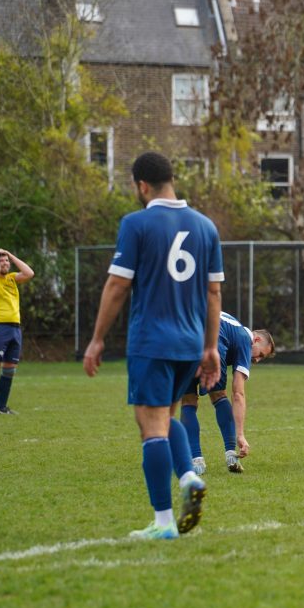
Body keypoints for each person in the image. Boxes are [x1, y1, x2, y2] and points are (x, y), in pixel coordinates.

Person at [83, 152, 223, 540]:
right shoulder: (206, 227)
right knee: (166, 417)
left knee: (150, 426)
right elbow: (214, 292)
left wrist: (97, 340)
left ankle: (163, 522)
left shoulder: (137, 223)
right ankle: (190, 476)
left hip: (151, 341)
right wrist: (210, 347)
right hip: (191, 344)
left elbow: (117, 285)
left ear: (141, 186)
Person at [180, 312, 275, 475]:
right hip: (211, 345)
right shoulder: (245, 338)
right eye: (260, 355)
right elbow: (238, 393)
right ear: (256, 340)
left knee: (188, 401)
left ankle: (196, 461)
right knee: (219, 396)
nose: (257, 360)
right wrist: (240, 435)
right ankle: (231, 455)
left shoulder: (231, 325)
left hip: (183, 339)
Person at [0, 249, 34, 414]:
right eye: (2, 261)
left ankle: (2, 408)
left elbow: (29, 273)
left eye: (7, 261)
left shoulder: (13, 278)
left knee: (9, 369)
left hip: (15, 328)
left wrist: (11, 256)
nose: (5, 263)